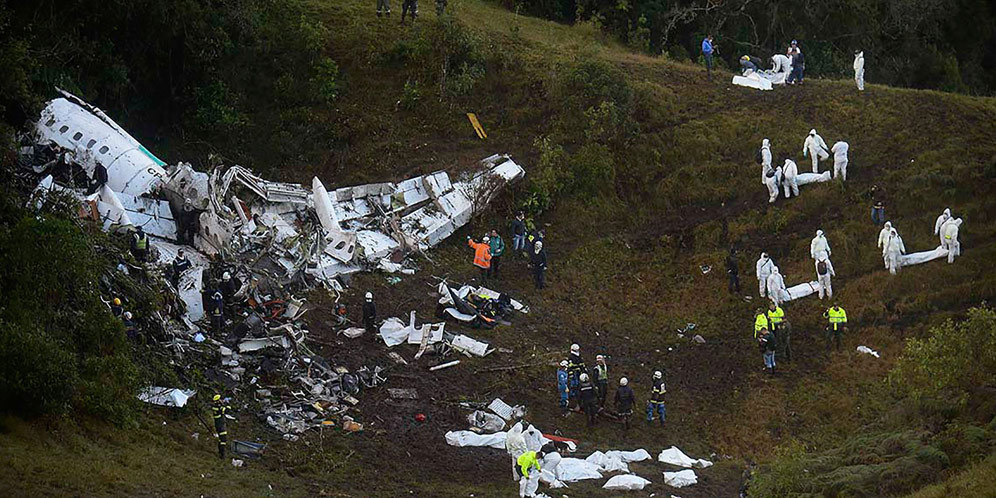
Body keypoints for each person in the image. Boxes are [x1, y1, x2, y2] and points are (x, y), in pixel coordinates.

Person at [211, 394, 232, 458]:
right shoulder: (218, 407)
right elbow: (227, 410)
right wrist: (228, 404)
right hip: (220, 425)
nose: (222, 400)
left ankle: (221, 452)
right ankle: (222, 454)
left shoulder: (215, 406)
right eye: (220, 399)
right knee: (223, 440)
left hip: (219, 425)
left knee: (221, 439)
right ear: (218, 401)